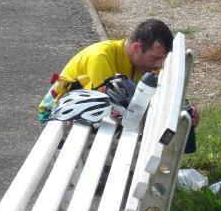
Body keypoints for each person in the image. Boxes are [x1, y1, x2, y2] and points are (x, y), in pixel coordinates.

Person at [38, 18, 199, 130]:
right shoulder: (100, 56)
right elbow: (103, 108)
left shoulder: (142, 63)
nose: (159, 65)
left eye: (162, 60)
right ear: (136, 48)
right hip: (56, 114)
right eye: (155, 58)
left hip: (88, 113)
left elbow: (162, 94)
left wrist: (185, 111)